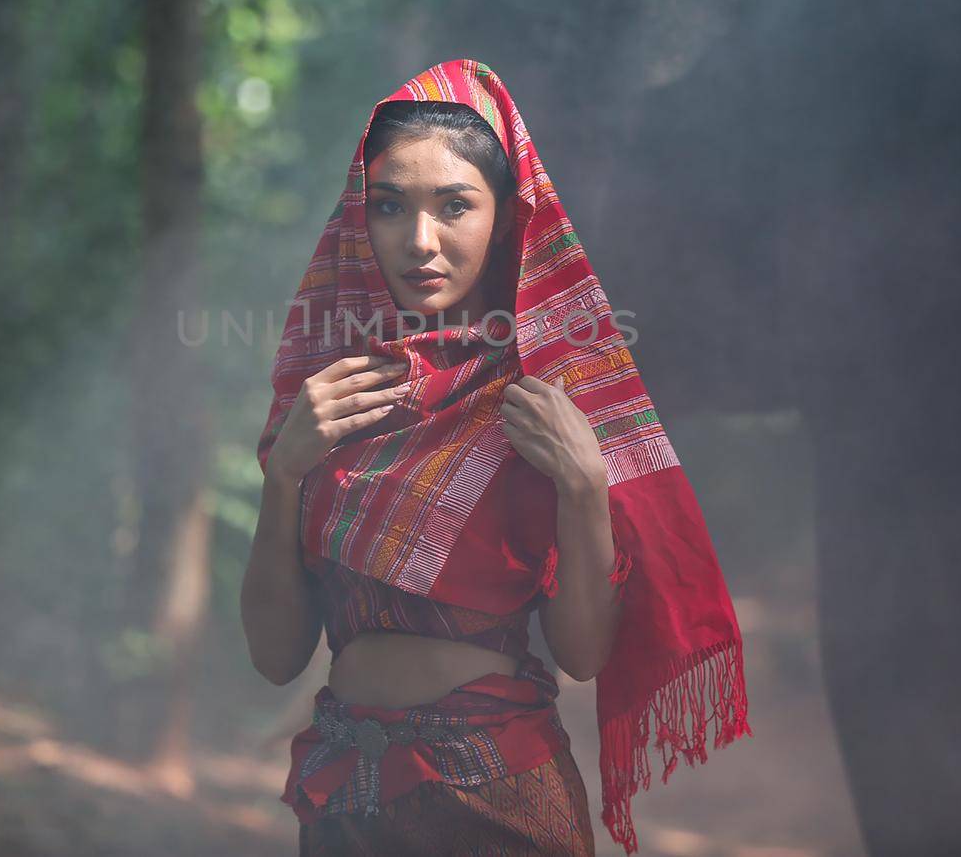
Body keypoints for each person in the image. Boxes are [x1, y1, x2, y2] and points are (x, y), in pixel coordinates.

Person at [243, 58, 751, 855]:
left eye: (455, 206)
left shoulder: (538, 399)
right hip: (346, 800)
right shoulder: (333, 396)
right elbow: (276, 658)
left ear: (505, 218)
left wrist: (585, 483)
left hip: (498, 800)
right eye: (389, 207)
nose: (420, 241)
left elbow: (582, 654)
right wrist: (284, 474)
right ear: (357, 220)